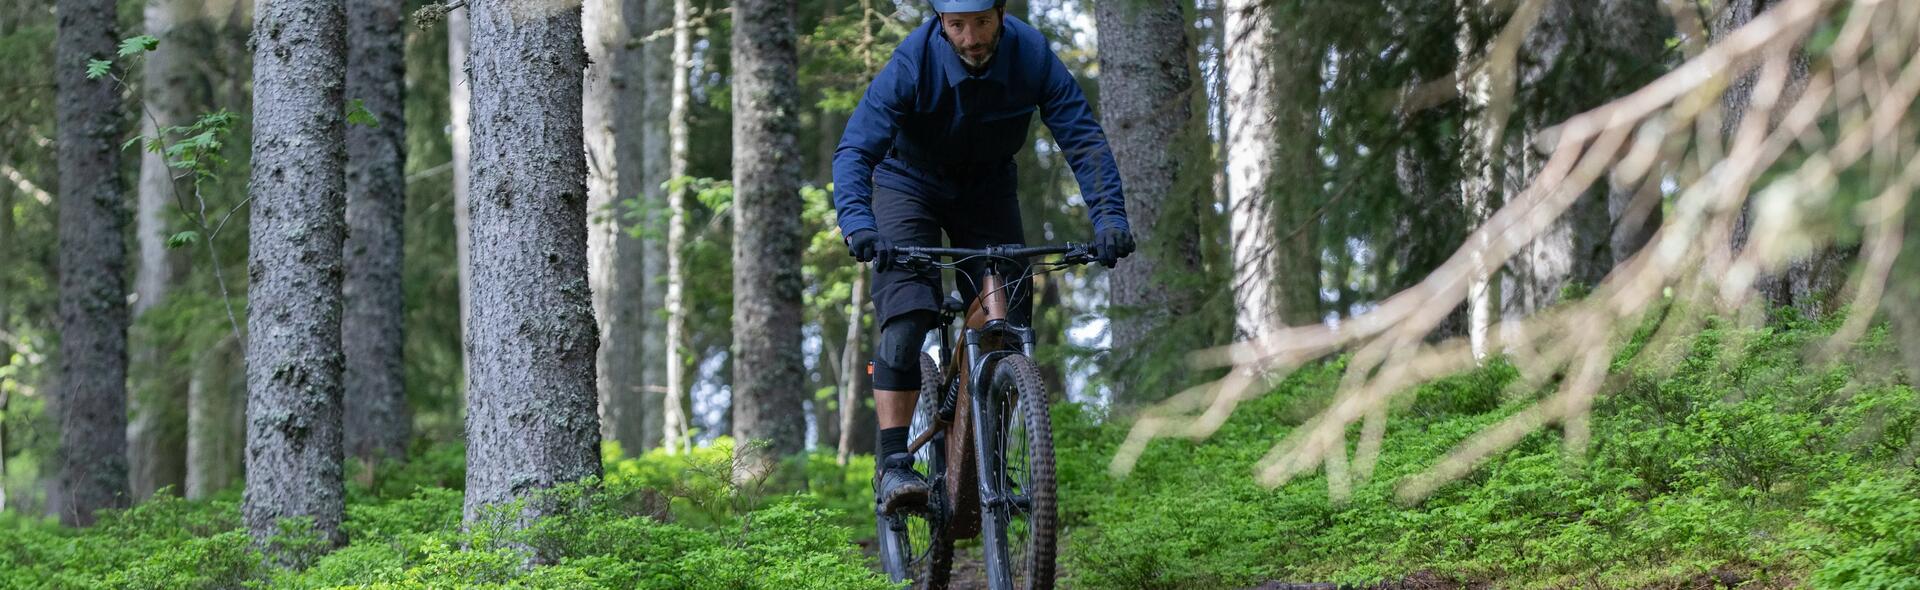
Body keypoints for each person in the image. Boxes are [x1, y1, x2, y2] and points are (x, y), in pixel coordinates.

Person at [830, 0, 1135, 515]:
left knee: (1008, 320)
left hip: (987, 188)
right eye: (957, 26)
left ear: (1001, 13)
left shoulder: (1032, 54)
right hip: (907, 184)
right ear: (940, 24)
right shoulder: (912, 62)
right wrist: (859, 224)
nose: (971, 38)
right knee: (907, 318)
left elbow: (1083, 139)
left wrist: (1109, 220)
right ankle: (894, 465)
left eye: (982, 23)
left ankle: (989, 451)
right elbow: (856, 150)